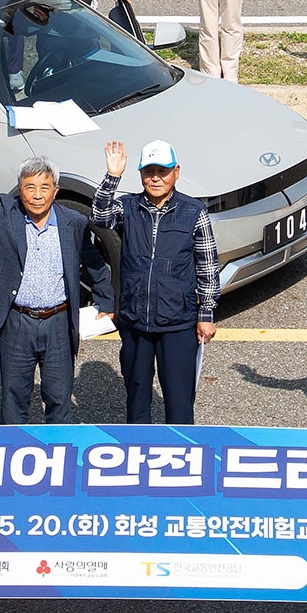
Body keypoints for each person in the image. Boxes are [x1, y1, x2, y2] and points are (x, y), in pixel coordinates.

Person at [0, 153, 112, 424]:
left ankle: (57, 453)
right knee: (14, 396)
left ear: (55, 191)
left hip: (59, 323)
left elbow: (95, 263)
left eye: (45, 187)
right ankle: (13, 452)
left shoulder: (72, 223)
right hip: (17, 321)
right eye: (30, 187)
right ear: (21, 190)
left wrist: (108, 303)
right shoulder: (5, 214)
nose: (38, 195)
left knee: (58, 396)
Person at [93, 140, 219, 424]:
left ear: (176, 172)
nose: (155, 178)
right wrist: (113, 176)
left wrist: (206, 314)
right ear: (140, 175)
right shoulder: (128, 207)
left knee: (179, 399)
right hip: (135, 321)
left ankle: (182, 455)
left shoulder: (193, 211)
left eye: (162, 171)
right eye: (149, 171)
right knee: (136, 396)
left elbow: (208, 266)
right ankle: (139, 452)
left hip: (177, 322)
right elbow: (100, 217)